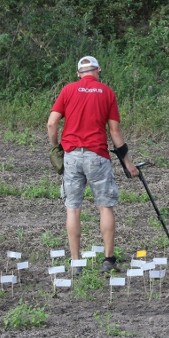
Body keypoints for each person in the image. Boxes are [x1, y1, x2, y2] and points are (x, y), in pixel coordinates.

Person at [47, 55, 139, 274]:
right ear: (98, 71)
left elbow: (52, 123)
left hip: (72, 157)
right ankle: (108, 259)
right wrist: (127, 162)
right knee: (105, 206)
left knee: (73, 208)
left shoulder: (68, 90)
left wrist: (55, 147)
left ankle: (76, 263)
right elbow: (115, 132)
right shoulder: (107, 93)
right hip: (97, 155)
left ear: (79, 73)